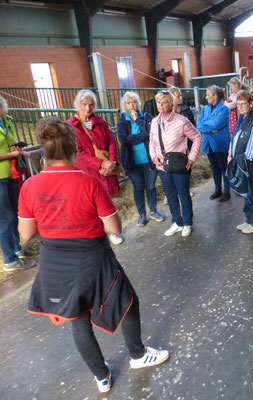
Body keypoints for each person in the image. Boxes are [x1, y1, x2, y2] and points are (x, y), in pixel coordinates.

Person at [19, 117, 170, 394]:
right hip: (91, 256)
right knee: (127, 302)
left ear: (44, 151)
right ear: (74, 148)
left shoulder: (29, 186)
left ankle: (101, 377)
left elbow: (26, 233)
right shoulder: (89, 183)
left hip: (54, 260)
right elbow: (114, 226)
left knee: (77, 317)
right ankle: (137, 356)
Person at [67, 90, 123, 245]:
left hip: (107, 169)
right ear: (78, 104)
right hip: (89, 171)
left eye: (91, 104)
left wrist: (111, 161)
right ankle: (97, 233)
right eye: (84, 104)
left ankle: (110, 231)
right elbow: (77, 152)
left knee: (106, 201)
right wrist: (99, 163)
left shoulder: (100, 121)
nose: (88, 108)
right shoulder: (71, 125)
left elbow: (111, 141)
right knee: (91, 203)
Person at [149, 91, 201, 237]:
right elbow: (151, 141)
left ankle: (187, 223)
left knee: (183, 194)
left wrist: (191, 157)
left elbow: (197, 137)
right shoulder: (155, 122)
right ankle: (177, 222)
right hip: (162, 165)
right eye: (158, 102)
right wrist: (153, 157)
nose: (161, 105)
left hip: (179, 164)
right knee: (170, 195)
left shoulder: (181, 121)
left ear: (171, 104)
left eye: (164, 102)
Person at [116, 92, 165, 227]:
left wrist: (138, 122)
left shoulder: (147, 116)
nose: (132, 105)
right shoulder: (122, 120)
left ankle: (153, 211)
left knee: (150, 187)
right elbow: (123, 139)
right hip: (132, 162)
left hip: (149, 159)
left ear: (138, 103)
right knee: (138, 188)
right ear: (124, 105)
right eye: (128, 103)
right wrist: (143, 136)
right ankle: (142, 215)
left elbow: (152, 134)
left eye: (134, 102)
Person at [0, 95, 37, 272]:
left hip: (11, 173)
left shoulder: (7, 120)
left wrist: (15, 148)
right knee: (5, 218)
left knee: (14, 212)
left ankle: (17, 249)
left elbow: (8, 141)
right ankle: (9, 260)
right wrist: (11, 155)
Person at [229, 91, 253, 234]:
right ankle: (249, 219)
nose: (240, 107)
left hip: (251, 164)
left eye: (243, 103)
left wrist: (237, 159)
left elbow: (252, 151)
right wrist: (230, 153)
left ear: (251, 104)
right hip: (241, 162)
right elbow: (234, 139)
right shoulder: (242, 119)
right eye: (238, 104)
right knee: (247, 192)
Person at [197, 85, 232, 202]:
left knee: (223, 167)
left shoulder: (224, 109)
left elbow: (217, 124)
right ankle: (218, 189)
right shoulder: (205, 109)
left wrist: (206, 124)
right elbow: (199, 125)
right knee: (214, 167)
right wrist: (209, 128)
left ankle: (227, 191)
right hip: (208, 143)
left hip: (220, 143)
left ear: (215, 96)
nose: (206, 97)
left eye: (208, 95)